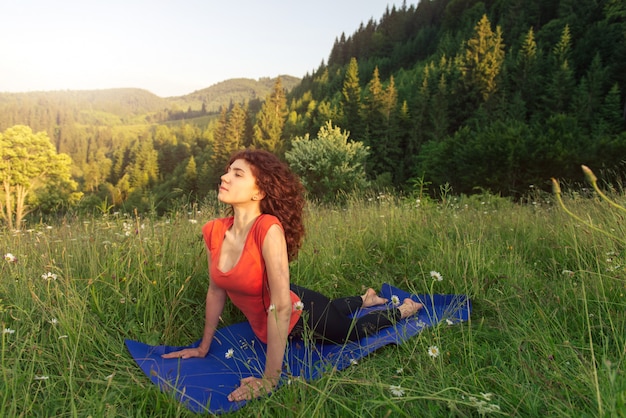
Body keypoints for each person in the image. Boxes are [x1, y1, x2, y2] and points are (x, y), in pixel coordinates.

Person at [162, 149, 422, 402]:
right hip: (287, 301)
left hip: (300, 315)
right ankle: (365, 299)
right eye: (227, 171)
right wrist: (203, 347)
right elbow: (216, 290)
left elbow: (281, 307)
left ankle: (402, 310)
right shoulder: (213, 230)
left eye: (237, 174)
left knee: (348, 332)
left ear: (259, 191)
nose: (225, 177)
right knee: (331, 308)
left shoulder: (267, 228)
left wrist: (269, 379)